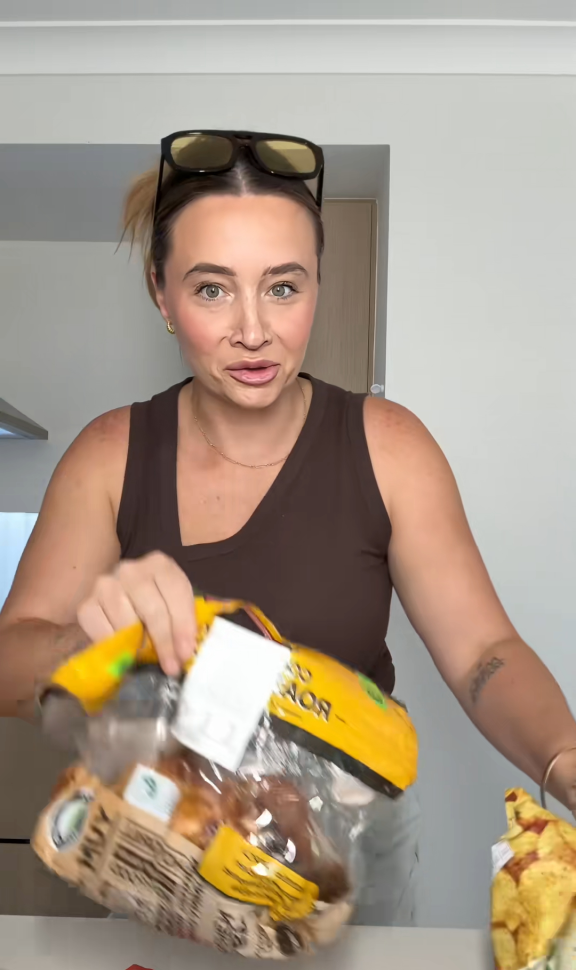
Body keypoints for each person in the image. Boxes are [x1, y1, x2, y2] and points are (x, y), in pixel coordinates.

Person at [1, 130, 576, 926]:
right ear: (161, 294)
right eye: (211, 290)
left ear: (316, 286)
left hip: (343, 884)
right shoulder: (109, 456)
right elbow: (9, 661)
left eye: (282, 287)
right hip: (163, 871)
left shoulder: (389, 447)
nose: (253, 330)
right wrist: (89, 647)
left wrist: (563, 758)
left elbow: (485, 653)